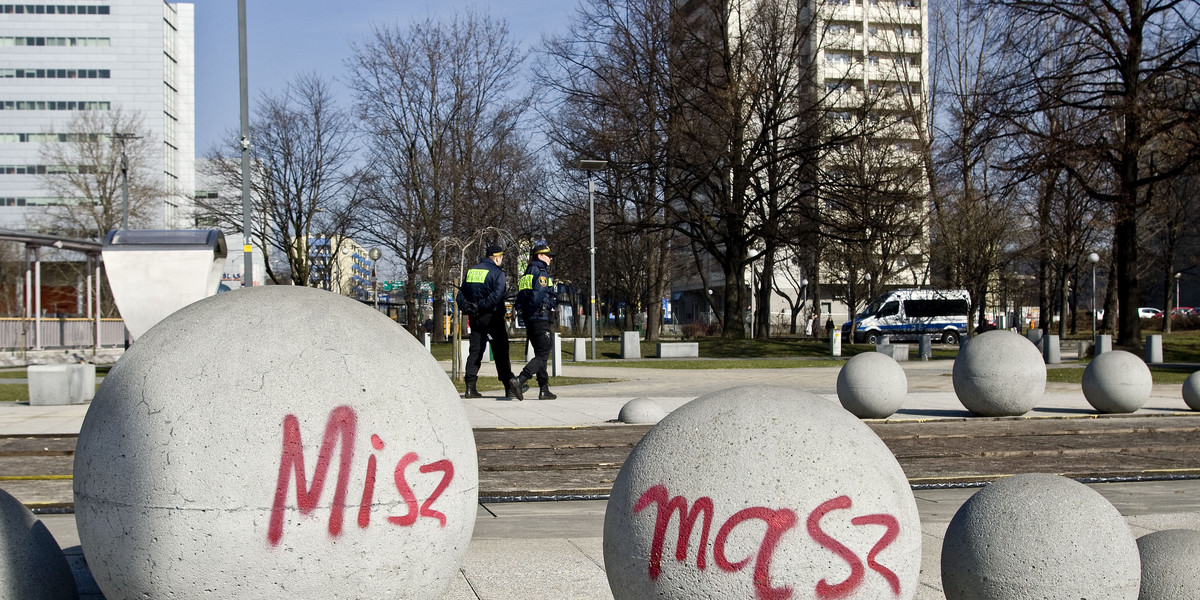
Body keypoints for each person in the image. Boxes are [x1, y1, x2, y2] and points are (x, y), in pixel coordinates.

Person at [455, 244, 517, 399]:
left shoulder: (471, 271)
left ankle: (470, 388)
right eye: (501, 258)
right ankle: (508, 387)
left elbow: (460, 294)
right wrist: (480, 306)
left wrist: (469, 307)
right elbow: (496, 296)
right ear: (497, 257)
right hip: (492, 318)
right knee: (501, 353)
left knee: (475, 350)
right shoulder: (498, 273)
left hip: (475, 318)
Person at [509, 243, 558, 400]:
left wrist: (525, 313)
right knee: (543, 352)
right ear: (539, 255)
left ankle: (543, 389)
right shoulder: (541, 272)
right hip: (539, 318)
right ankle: (520, 379)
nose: (550, 258)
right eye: (547, 255)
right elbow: (537, 296)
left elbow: (521, 296)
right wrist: (536, 310)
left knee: (540, 353)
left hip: (531, 318)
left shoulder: (527, 272)